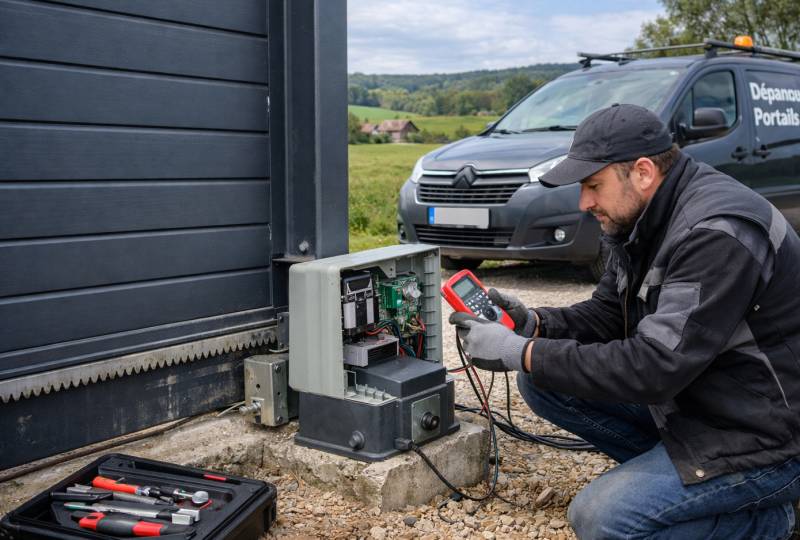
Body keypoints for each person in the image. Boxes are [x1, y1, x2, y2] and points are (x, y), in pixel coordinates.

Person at [450, 103, 800, 539]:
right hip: (699, 402)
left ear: (643, 172)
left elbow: (654, 368)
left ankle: (766, 519)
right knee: (542, 379)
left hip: (765, 437)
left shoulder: (715, 233)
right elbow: (607, 315)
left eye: (593, 185)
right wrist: (534, 325)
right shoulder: (640, 219)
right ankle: (683, 484)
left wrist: (520, 352)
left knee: (603, 520)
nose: (584, 202)